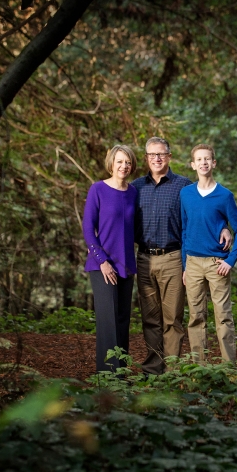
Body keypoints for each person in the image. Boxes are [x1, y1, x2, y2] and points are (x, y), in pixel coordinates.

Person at [133, 137, 232, 375]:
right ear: (146, 158)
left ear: (169, 157)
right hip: (144, 258)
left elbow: (201, 213)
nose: (157, 158)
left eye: (161, 154)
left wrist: (224, 227)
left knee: (172, 318)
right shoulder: (136, 187)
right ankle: (153, 369)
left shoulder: (184, 186)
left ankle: (173, 370)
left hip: (173, 257)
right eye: (152, 155)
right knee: (150, 318)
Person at [181, 144, 237, 363]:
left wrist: (231, 260)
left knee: (223, 317)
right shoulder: (186, 194)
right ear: (193, 165)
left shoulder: (224, 196)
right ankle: (200, 368)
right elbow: (184, 229)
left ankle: (230, 367)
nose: (203, 163)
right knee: (196, 317)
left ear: (214, 163)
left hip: (216, 263)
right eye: (199, 159)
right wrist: (184, 266)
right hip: (192, 263)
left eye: (207, 159)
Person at [82, 145, 138, 373]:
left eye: (128, 162)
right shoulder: (98, 189)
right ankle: (108, 377)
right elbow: (88, 228)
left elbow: (136, 228)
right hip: (103, 264)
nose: (124, 166)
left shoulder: (133, 192)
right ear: (111, 164)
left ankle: (121, 374)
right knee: (108, 323)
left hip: (126, 263)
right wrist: (101, 260)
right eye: (120, 162)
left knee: (123, 321)